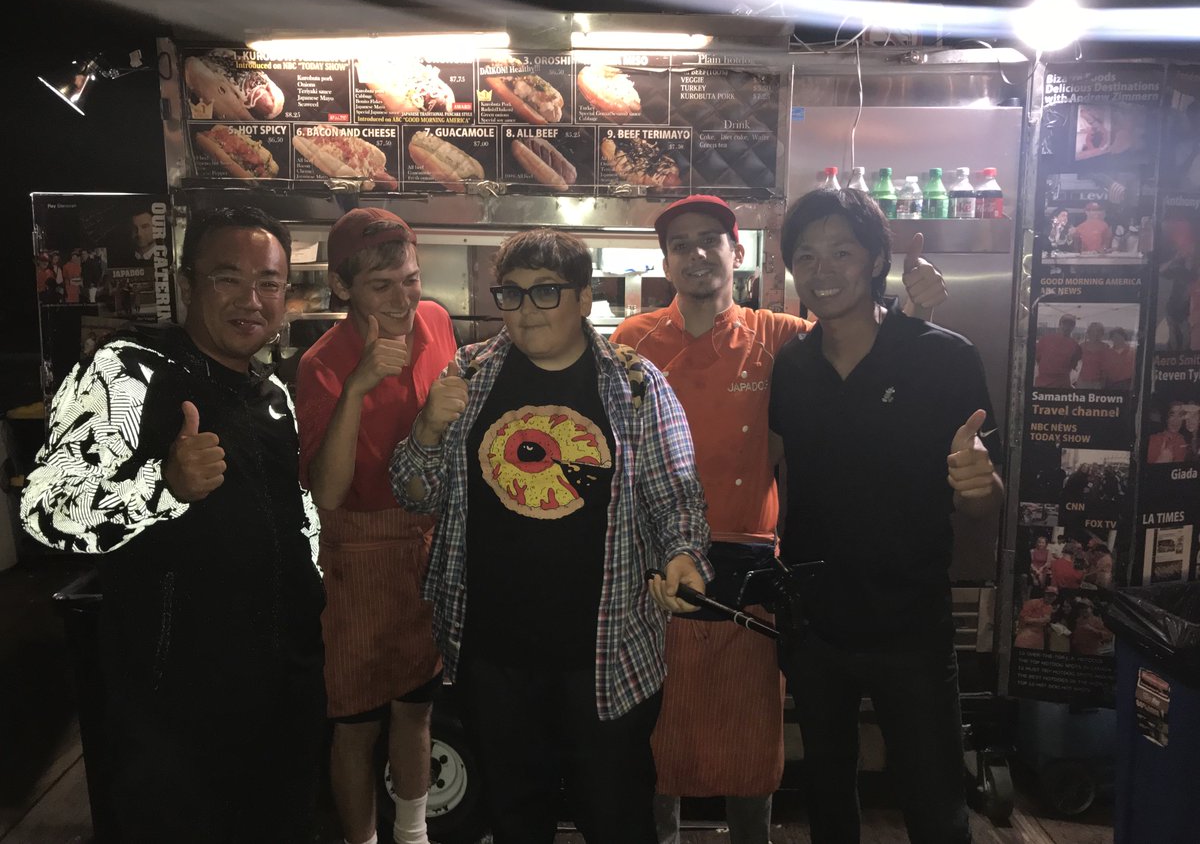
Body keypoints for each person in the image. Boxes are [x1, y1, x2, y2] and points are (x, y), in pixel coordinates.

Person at [609, 194, 946, 844]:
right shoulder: (633, 341)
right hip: (657, 572)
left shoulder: (781, 336)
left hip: (754, 570)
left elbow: (867, 357)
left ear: (739, 254)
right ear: (666, 261)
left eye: (712, 239)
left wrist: (916, 310)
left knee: (749, 747)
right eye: (682, 243)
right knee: (658, 744)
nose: (698, 253)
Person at [389, 228, 712, 844]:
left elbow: (677, 497)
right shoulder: (470, 374)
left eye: (546, 293)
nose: (525, 310)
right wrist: (428, 429)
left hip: (607, 653)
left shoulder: (636, 385)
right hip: (493, 653)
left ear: (585, 298)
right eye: (510, 295)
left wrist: (683, 557)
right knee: (514, 819)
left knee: (616, 818)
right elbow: (412, 494)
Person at [20, 206, 326, 843]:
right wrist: (162, 486)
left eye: (269, 283)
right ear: (188, 286)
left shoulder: (274, 393)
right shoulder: (126, 370)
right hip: (175, 703)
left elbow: (290, 513)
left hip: (280, 687)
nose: (252, 299)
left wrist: (316, 585)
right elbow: (44, 512)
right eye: (227, 278)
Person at [769, 188, 1004, 844]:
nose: (823, 269)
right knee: (827, 797)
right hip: (816, 623)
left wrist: (978, 483)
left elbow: (988, 498)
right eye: (807, 255)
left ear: (875, 260)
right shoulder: (789, 367)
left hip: (911, 622)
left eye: (841, 251)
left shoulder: (944, 357)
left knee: (936, 804)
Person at [296, 208, 457, 844]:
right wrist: (359, 385)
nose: (403, 299)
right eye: (381, 286)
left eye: (411, 280)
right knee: (357, 722)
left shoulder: (437, 321)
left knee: (416, 712)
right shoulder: (322, 363)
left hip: (429, 539)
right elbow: (329, 491)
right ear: (343, 287)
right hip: (358, 550)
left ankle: (413, 835)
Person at [1034, 314, 1081, 388]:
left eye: (1070, 324)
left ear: (1073, 327)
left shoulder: (1075, 345)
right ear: (1060, 324)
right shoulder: (1045, 340)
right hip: (1042, 385)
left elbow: (1074, 365)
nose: (1067, 327)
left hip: (1062, 386)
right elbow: (1038, 358)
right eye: (1065, 323)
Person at [1074, 321, 1108, 389]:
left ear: (1102, 333)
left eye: (1098, 331)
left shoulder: (1106, 347)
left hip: (1098, 383)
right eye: (1093, 331)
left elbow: (1108, 367)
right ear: (1088, 332)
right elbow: (1073, 362)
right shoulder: (1082, 346)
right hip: (1082, 382)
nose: (1095, 333)